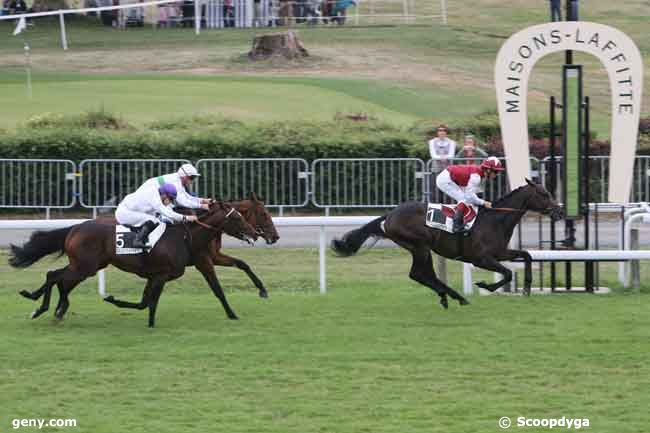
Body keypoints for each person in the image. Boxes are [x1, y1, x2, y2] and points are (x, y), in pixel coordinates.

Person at [116, 183, 199, 248]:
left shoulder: (158, 195)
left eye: (172, 199)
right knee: (153, 220)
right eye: (170, 198)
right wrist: (186, 218)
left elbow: (168, 212)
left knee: (156, 220)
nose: (170, 201)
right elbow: (167, 212)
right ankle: (137, 241)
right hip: (124, 213)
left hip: (131, 211)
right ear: (164, 194)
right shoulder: (154, 196)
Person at [435, 156, 505, 233]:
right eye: (495, 172)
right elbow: (470, 197)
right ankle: (456, 225)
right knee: (463, 199)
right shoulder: (476, 177)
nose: (496, 174)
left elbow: (471, 195)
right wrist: (483, 202)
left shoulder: (478, 174)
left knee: (465, 198)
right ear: (488, 170)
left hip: (450, 177)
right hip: (445, 180)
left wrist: (482, 202)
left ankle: (461, 220)